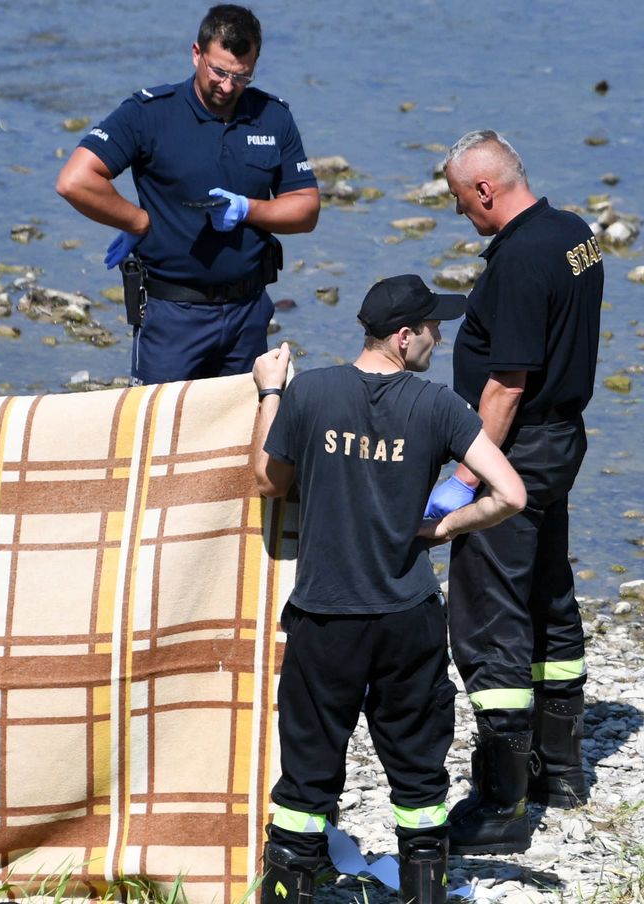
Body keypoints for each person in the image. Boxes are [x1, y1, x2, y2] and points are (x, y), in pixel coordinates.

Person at [252, 275, 526, 903]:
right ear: (404, 338)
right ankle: (424, 889)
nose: (440, 339)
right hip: (408, 615)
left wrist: (271, 391)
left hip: (326, 616)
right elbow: (511, 494)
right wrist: (444, 526)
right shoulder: (438, 407)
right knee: (417, 772)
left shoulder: (312, 392)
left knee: (309, 769)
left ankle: (291, 884)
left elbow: (267, 478)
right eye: (434, 329)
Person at [425, 131, 604, 854]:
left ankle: (503, 802)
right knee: (548, 593)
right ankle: (561, 769)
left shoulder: (525, 257)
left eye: (458, 199)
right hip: (560, 440)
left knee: (488, 611)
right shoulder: (574, 235)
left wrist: (466, 477)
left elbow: (505, 384)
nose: (459, 213)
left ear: (486, 190)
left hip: (518, 445)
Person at [55, 4, 319, 384]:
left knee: (248, 434)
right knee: (159, 435)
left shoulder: (273, 117)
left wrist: (247, 209)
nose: (228, 86)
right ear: (196, 53)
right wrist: (139, 221)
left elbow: (306, 210)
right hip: (172, 316)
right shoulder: (150, 113)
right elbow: (74, 179)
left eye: (241, 76)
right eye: (219, 71)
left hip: (247, 313)